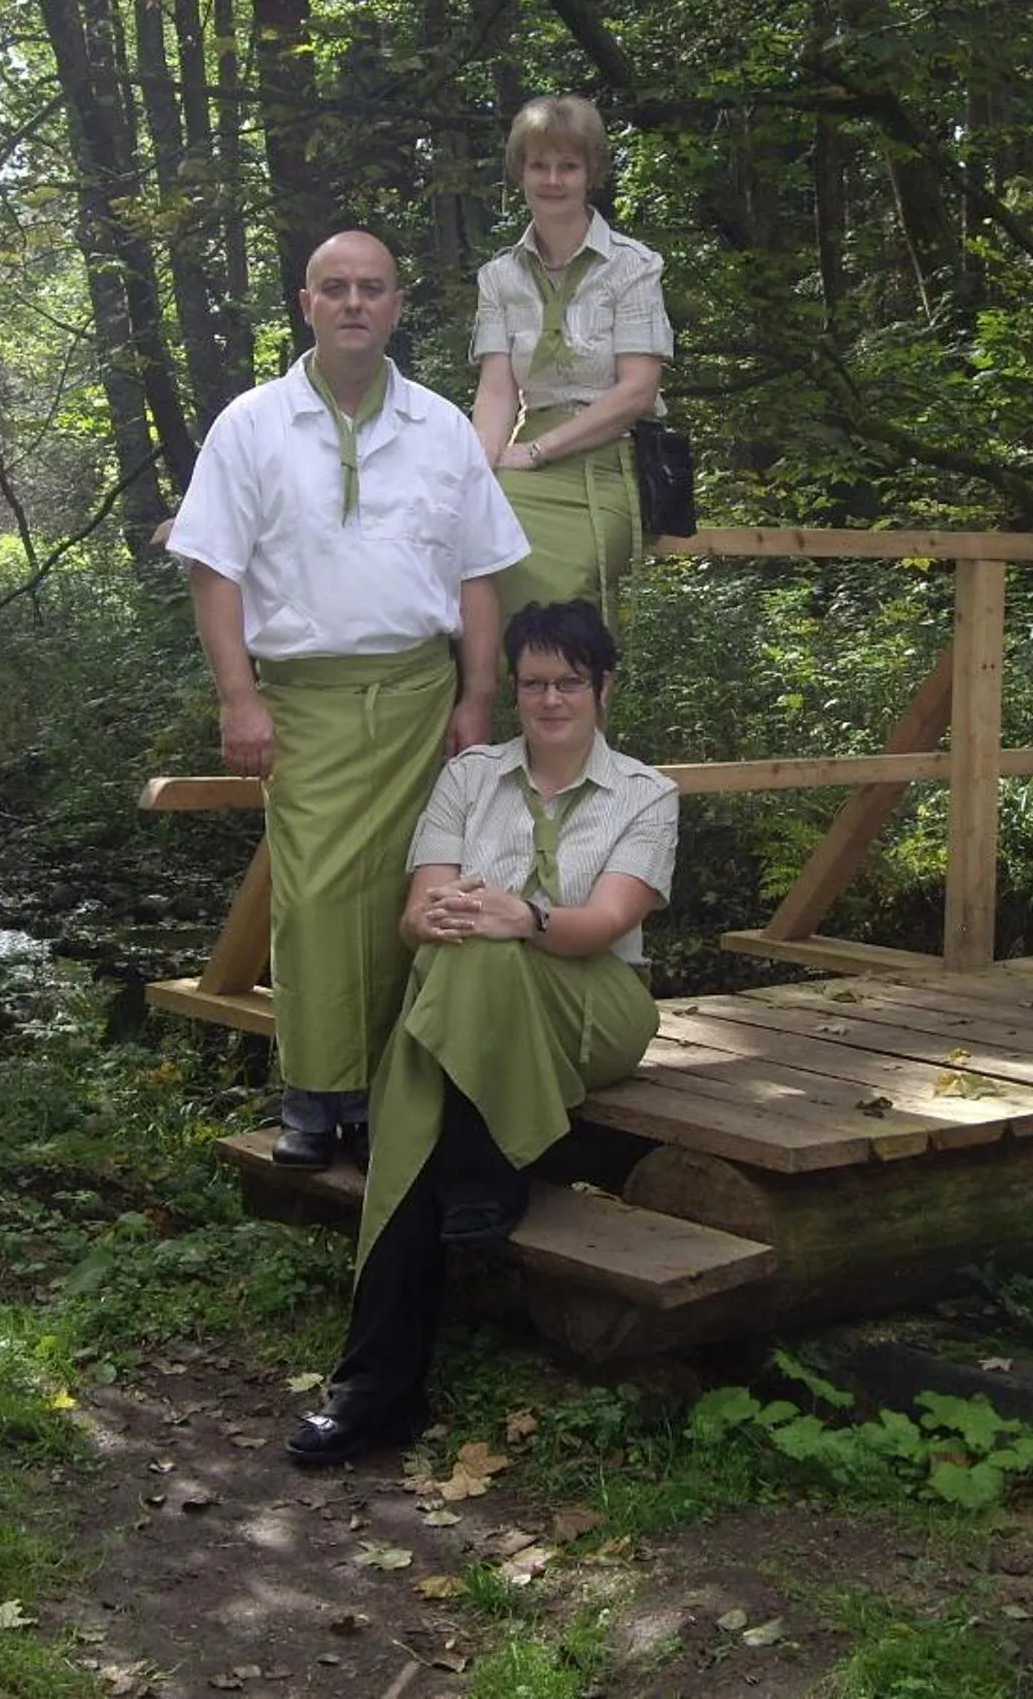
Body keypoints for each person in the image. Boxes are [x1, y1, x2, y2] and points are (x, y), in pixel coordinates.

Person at [165, 230, 528, 1173]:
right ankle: (316, 1095)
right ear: (305, 303)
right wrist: (237, 700)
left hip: (419, 692)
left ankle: (389, 1095)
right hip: (307, 700)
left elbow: (481, 573)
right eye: (336, 288)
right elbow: (213, 570)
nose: (354, 303)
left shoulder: (440, 428)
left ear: (397, 306)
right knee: (320, 896)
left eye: (372, 288)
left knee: (417, 889)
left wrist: (476, 697)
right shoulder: (250, 424)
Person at [287, 599, 676, 1465]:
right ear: (512, 688)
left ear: (602, 686)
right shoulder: (467, 778)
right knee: (469, 967)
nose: (549, 700)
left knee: (476, 978)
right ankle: (476, 1173)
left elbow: (602, 923)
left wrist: (520, 915)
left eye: (568, 682)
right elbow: (414, 914)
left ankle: (371, 1386)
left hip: (593, 1007)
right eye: (532, 682)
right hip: (470, 990)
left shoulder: (647, 793)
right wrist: (444, 921)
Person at [472, 96, 673, 624]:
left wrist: (537, 451)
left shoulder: (633, 266)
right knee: (463, 551)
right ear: (521, 172)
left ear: (592, 173)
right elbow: (496, 390)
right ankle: (500, 702)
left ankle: (575, 695)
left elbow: (638, 392)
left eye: (568, 166)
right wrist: (474, 471)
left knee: (560, 599)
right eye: (540, 165)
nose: (553, 179)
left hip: (608, 466)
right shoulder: (498, 277)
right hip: (521, 465)